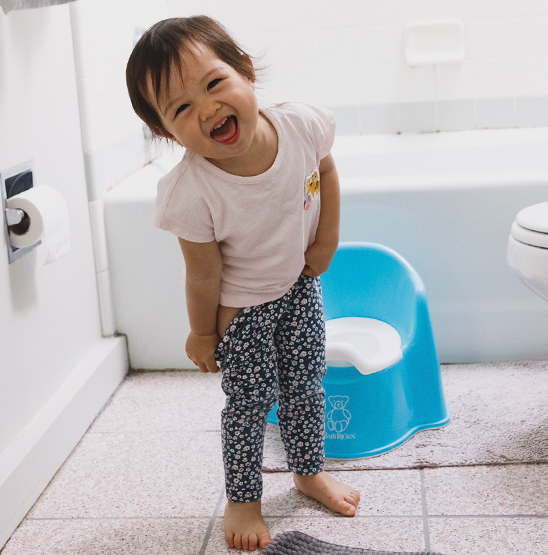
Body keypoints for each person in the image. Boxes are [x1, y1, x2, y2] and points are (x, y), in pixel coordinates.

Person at [126, 15, 360, 552]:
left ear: (246, 73)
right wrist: (203, 334)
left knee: (306, 386)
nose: (206, 109)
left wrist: (325, 243)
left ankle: (308, 472)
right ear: (166, 131)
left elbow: (325, 170)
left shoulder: (301, 125)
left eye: (214, 84)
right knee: (250, 403)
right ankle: (244, 499)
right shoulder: (191, 191)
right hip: (242, 312)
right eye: (181, 108)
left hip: (298, 287)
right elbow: (203, 273)